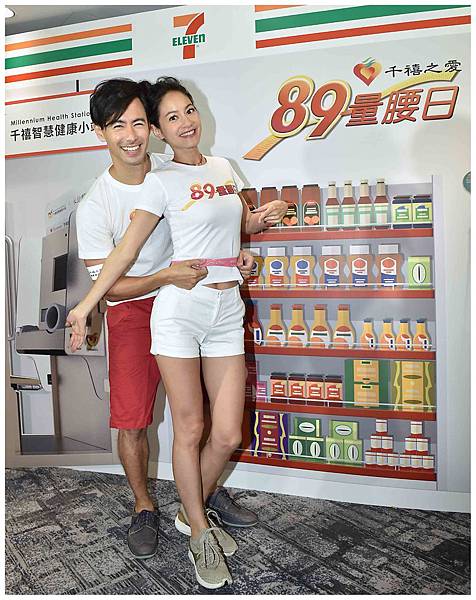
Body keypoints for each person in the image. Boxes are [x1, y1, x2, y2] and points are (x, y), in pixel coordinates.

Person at [67, 76, 287, 589]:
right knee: (136, 419)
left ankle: (196, 498)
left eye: (138, 123)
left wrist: (246, 241)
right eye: (118, 125)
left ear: (150, 130)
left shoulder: (185, 169)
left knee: (223, 430)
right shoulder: (100, 203)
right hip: (137, 303)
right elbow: (118, 267)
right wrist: (88, 304)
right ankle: (147, 506)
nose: (131, 135)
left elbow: (220, 222)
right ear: (101, 132)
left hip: (204, 298)